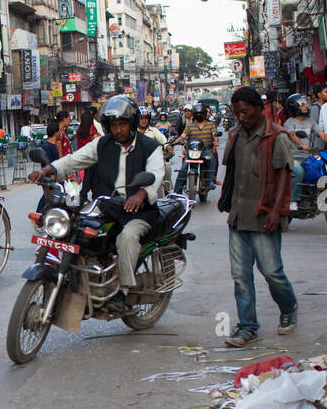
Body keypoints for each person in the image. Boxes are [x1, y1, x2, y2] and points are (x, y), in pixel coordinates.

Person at [30, 95, 165, 309]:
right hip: (107, 206)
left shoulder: (150, 147)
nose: (118, 129)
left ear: (132, 123)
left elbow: (156, 175)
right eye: (114, 125)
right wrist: (48, 170)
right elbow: (75, 159)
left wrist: (141, 194)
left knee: (127, 237)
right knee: (75, 229)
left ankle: (123, 291)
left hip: (139, 211)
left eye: (122, 124)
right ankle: (82, 276)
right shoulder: (103, 144)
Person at [218, 86, 297, 348]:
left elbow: (285, 172)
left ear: (258, 109)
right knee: (241, 276)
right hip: (239, 216)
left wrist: (276, 211)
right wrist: (224, 198)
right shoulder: (235, 136)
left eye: (245, 111)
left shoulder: (276, 136)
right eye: (237, 112)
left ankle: (288, 306)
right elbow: (231, 170)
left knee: (272, 272)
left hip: (264, 213)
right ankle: (248, 326)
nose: (241, 117)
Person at [281, 93, 327, 206]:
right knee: (299, 171)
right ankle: (293, 200)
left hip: (307, 157)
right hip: (293, 157)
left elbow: (323, 135)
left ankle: (313, 195)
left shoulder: (310, 121)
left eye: (306, 104)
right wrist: (302, 145)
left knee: (322, 168)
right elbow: (292, 135)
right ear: (294, 107)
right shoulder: (289, 123)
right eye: (302, 104)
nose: (306, 106)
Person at [174, 103, 220, 194]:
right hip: (192, 152)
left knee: (211, 159)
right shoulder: (190, 125)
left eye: (201, 113)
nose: (199, 115)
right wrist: (175, 141)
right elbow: (183, 136)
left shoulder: (210, 125)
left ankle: (210, 181)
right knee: (184, 168)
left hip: (206, 150)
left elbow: (215, 135)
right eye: (197, 113)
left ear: (205, 114)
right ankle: (176, 192)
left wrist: (216, 142)